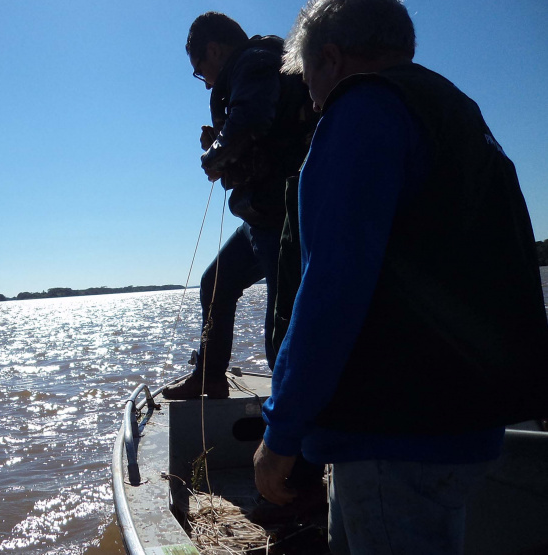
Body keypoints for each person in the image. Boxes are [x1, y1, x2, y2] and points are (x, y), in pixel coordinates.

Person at [253, 1, 548, 553]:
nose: (313, 103)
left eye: (309, 80)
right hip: (466, 426)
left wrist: (281, 431)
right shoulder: (455, 109)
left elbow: (332, 288)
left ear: (332, 59)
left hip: (393, 433)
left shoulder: (362, 111)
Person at [163, 12, 316, 400]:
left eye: (200, 70)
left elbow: (249, 122)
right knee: (215, 282)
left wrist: (213, 157)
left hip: (282, 218)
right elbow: (256, 132)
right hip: (258, 217)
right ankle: (210, 377)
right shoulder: (253, 68)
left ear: (214, 50)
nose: (205, 82)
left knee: (280, 331)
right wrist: (221, 141)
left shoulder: (255, 62)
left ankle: (296, 423)